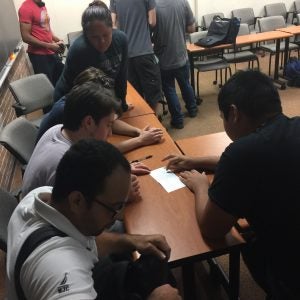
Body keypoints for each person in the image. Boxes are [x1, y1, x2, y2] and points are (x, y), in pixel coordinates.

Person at [165, 70, 300, 299]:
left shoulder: (241, 154)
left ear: (233, 113)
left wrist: (200, 186)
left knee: (243, 238)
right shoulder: (292, 126)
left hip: (290, 275)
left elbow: (212, 229)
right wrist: (196, 160)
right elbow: (263, 158)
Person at [7, 139, 181, 299]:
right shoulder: (61, 271)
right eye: (114, 207)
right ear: (77, 201)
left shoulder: (39, 197)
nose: (117, 216)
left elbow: (85, 239)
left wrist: (133, 241)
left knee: (149, 266)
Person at [22, 81, 151, 198]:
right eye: (108, 125)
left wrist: (112, 172)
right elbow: (82, 218)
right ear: (89, 122)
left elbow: (89, 162)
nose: (111, 133)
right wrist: (121, 196)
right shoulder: (65, 163)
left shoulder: (59, 129)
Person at [36, 67, 164, 149]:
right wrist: (140, 140)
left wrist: (138, 132)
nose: (110, 132)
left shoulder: (77, 103)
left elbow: (109, 122)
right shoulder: (67, 112)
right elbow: (99, 153)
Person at [54, 0, 129, 112]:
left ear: (112, 28)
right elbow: (87, 94)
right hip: (71, 101)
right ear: (86, 35)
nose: (102, 41)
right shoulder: (79, 50)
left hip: (98, 98)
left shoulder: (121, 40)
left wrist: (122, 105)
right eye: (95, 37)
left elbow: (121, 78)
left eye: (106, 35)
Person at [110, 0, 163, 114]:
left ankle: (142, 126)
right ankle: (156, 126)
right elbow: (152, 21)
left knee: (136, 96)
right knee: (153, 95)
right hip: (144, 51)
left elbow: (112, 25)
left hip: (126, 55)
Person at [152, 0, 198, 129]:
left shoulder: (153, 5)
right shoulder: (182, 2)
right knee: (185, 84)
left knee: (169, 89)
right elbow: (191, 28)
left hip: (163, 56)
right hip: (181, 53)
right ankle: (192, 109)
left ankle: (178, 120)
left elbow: (150, 29)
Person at [18, 0, 64, 86]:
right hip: (39, 56)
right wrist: (49, 46)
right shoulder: (26, 8)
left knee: (61, 82)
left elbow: (46, 28)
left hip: (51, 52)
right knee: (48, 87)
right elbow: (25, 37)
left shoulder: (41, 5)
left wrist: (57, 39)